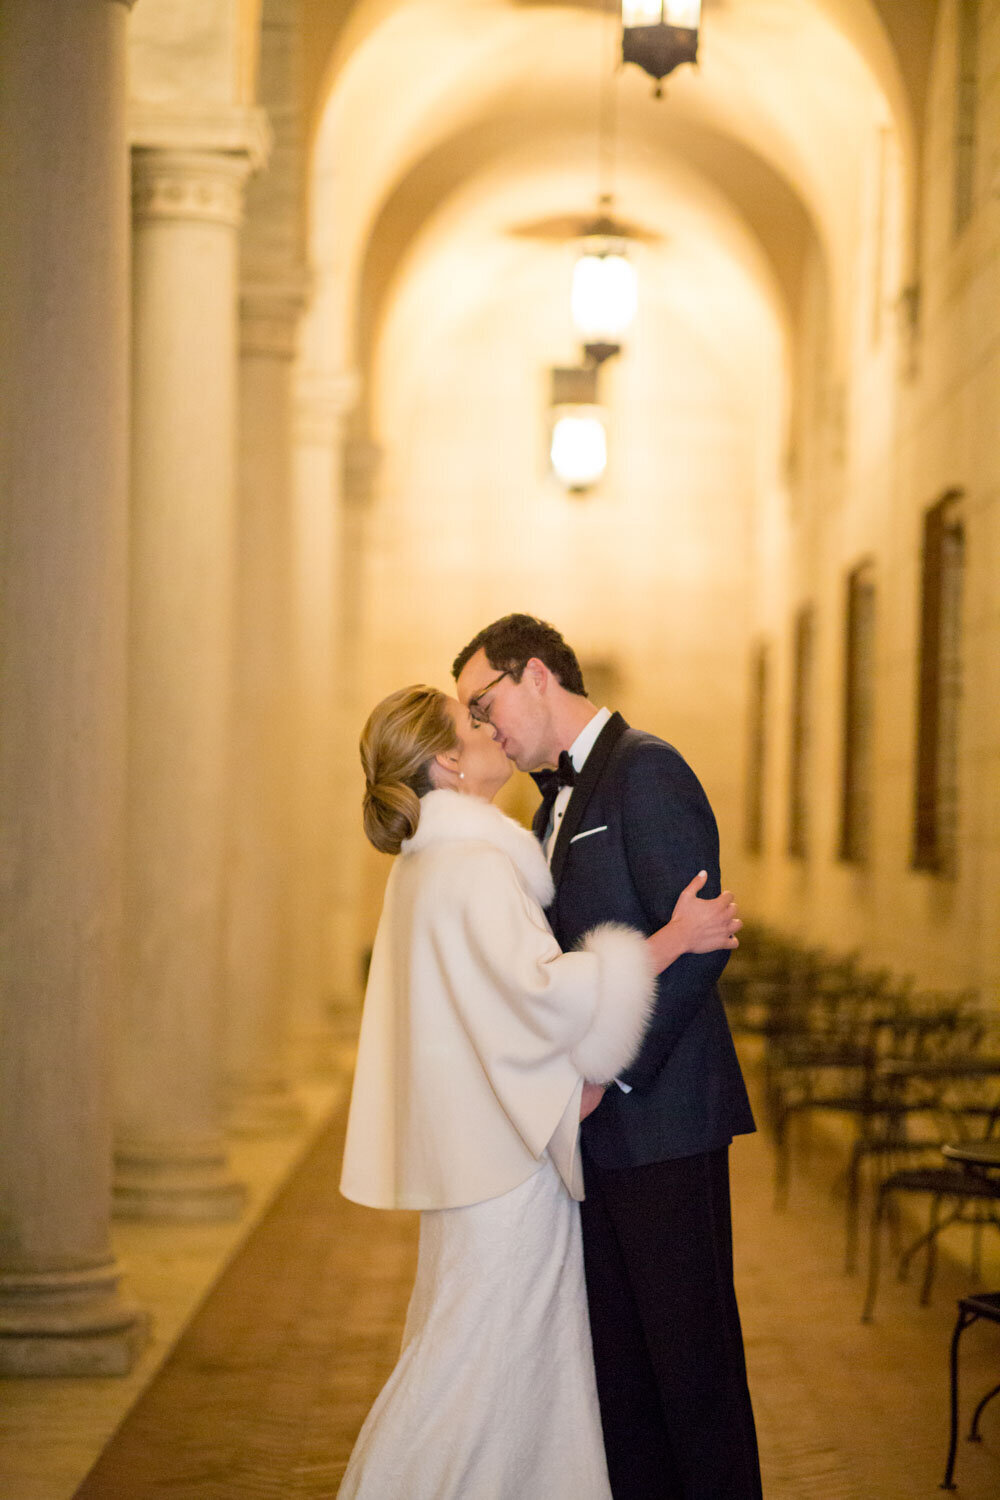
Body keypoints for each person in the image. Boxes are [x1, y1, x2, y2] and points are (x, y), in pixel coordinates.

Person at [338, 684, 742, 1500]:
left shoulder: (427, 865)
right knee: (482, 1369)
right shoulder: (474, 864)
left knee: (481, 1359)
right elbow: (542, 994)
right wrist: (668, 940)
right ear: (448, 761)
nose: (488, 732)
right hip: (506, 1169)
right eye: (471, 724)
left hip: (476, 1158)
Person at [454, 615, 762, 1500]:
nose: (486, 728)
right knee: (621, 1377)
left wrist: (609, 1073)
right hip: (597, 1131)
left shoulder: (648, 770)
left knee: (693, 1373)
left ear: (538, 674)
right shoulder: (552, 800)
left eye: (488, 702)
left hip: (664, 1119)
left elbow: (702, 943)